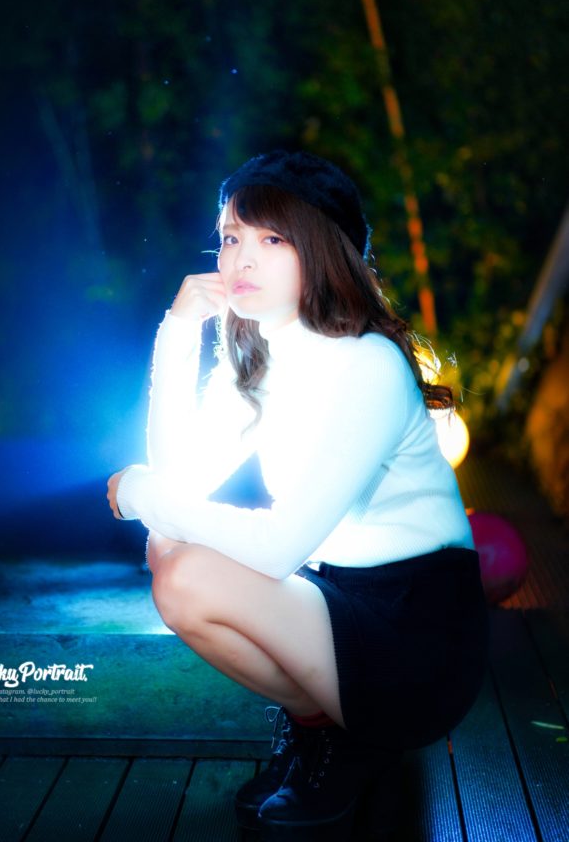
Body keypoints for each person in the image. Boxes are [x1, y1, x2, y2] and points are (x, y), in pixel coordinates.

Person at [107, 150, 488, 842]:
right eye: (230, 238)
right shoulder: (260, 356)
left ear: (320, 248)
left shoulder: (366, 363)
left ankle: (352, 740)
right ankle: (325, 732)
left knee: (184, 566)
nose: (241, 259)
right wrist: (179, 332)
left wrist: (138, 492)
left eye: (271, 238)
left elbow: (277, 547)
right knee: (169, 545)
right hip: (336, 597)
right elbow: (178, 476)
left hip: (417, 631)